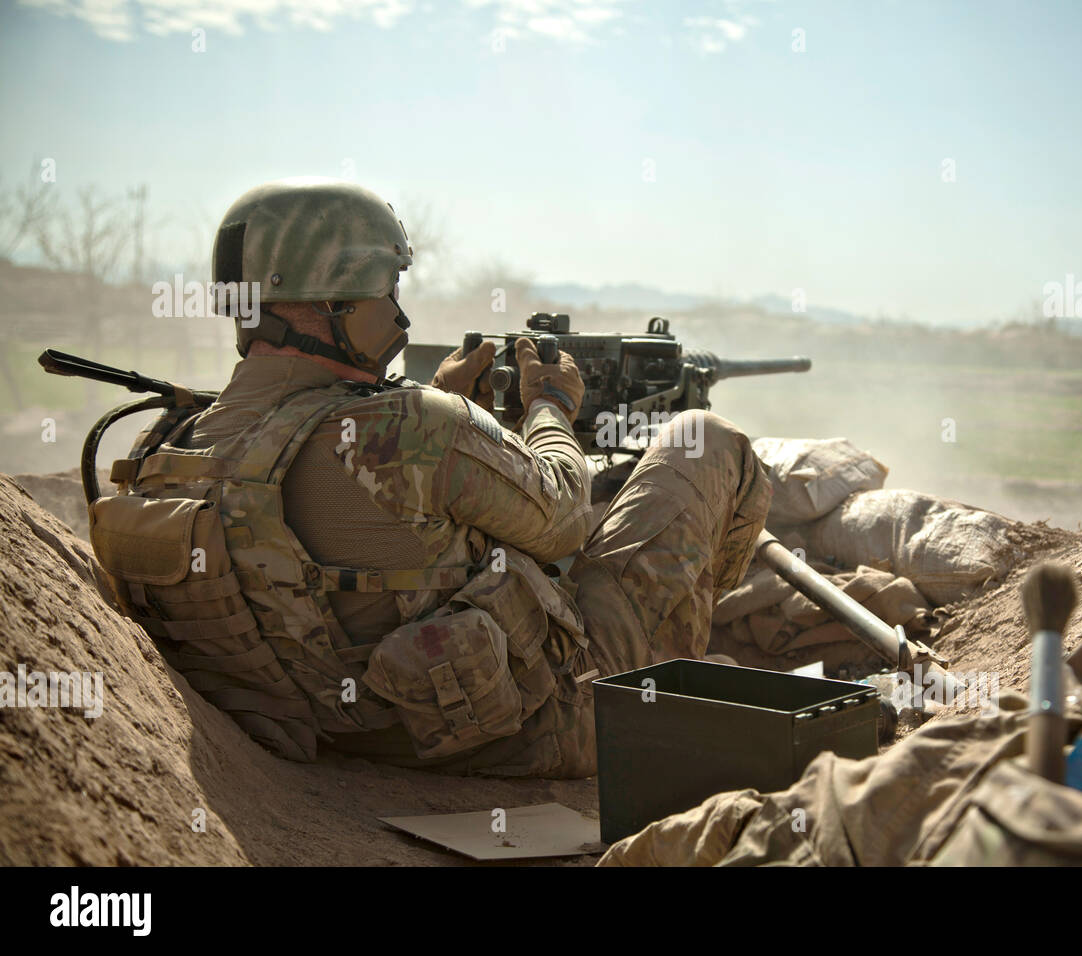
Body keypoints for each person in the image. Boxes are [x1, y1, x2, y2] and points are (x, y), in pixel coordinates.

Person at [104, 177, 771, 778]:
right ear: (348, 298)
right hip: (537, 726)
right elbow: (564, 511)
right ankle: (670, 675)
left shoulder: (168, 444)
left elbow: (334, 503)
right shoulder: (415, 428)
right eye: (388, 289)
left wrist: (449, 404)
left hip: (363, 731)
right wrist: (549, 408)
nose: (396, 308)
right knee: (706, 443)